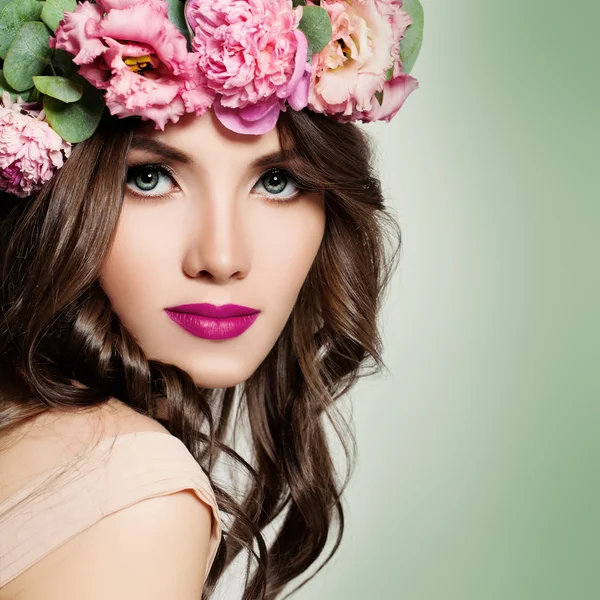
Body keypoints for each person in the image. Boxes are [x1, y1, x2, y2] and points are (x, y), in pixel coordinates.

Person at [0, 0, 423, 598]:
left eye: (276, 181)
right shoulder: (132, 498)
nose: (222, 259)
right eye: (149, 177)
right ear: (60, 191)